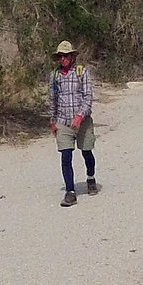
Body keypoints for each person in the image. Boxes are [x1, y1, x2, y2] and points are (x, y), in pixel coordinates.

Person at [50, 39, 97, 206]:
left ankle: (91, 178)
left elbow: (88, 97)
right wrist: (53, 120)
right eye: (60, 56)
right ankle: (70, 191)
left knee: (87, 152)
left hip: (82, 121)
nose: (63, 59)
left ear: (72, 56)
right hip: (63, 120)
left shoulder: (81, 72)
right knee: (66, 155)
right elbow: (53, 99)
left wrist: (80, 116)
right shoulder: (55, 76)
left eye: (66, 56)